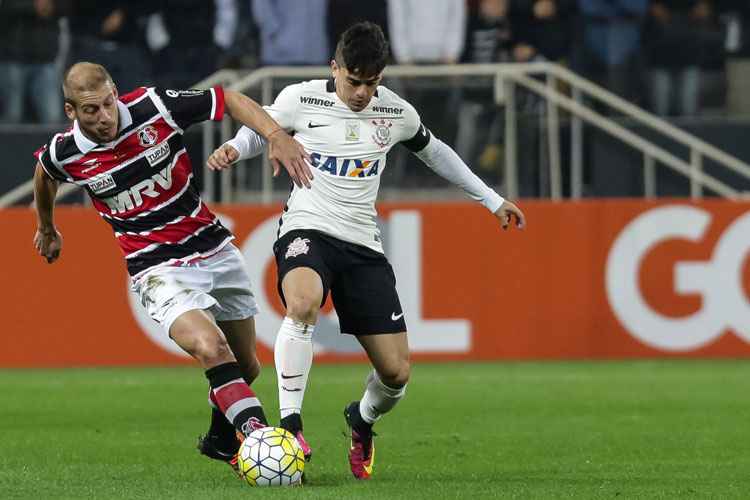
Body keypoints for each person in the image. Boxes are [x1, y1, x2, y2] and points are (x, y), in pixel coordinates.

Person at [207, 22, 526, 480]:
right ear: (334, 67)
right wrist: (235, 149)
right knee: (302, 304)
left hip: (362, 245)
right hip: (307, 227)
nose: (360, 92)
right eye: (353, 80)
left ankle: (362, 419)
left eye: (371, 83)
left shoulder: (396, 113)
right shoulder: (302, 98)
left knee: (396, 374)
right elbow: (263, 129)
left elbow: (436, 153)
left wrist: (492, 199)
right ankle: (291, 426)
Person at [31, 62, 312, 473]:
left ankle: (220, 439)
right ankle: (264, 445)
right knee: (211, 348)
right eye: (91, 110)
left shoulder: (153, 107)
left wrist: (274, 136)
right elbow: (45, 174)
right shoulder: (66, 151)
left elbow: (228, 99)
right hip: (156, 267)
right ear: (72, 111)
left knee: (246, 365)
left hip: (212, 246)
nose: (105, 116)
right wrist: (46, 226)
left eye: (108, 103)